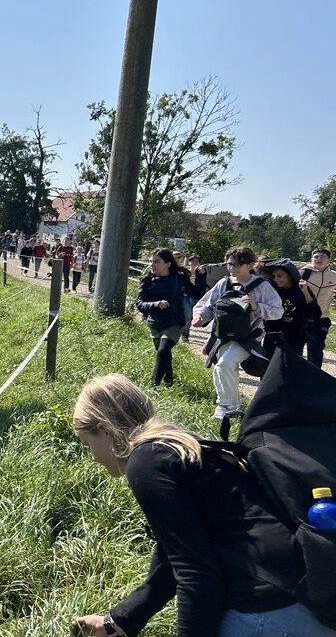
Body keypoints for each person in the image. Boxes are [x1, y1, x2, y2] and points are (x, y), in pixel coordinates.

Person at [72, 374, 333, 637]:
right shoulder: (178, 445)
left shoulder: (145, 461)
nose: (93, 457)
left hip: (267, 611)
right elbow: (173, 559)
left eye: (87, 443)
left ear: (104, 430)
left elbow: (196, 573)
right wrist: (118, 621)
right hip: (303, 598)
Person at [192, 246, 282, 421]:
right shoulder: (224, 283)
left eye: (236, 265)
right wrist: (199, 316)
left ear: (250, 265)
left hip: (248, 338)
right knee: (224, 369)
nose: (231, 269)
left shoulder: (262, 286)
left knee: (224, 364)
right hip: (223, 335)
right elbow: (208, 304)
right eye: (229, 264)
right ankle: (231, 408)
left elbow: (277, 311)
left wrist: (257, 306)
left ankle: (224, 406)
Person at [135, 249, 192, 386]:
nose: (152, 265)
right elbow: (140, 304)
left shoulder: (179, 278)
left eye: (156, 262)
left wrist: (201, 277)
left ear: (167, 264)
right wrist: (156, 304)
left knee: (162, 351)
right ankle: (169, 380)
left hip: (174, 323)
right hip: (155, 324)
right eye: (151, 262)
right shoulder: (147, 281)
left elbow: (196, 292)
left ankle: (153, 386)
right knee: (164, 354)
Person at [263, 260, 307, 359]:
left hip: (294, 336)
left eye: (280, 276)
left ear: (290, 275)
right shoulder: (272, 291)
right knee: (268, 367)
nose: (276, 279)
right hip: (272, 334)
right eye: (273, 276)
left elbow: (314, 313)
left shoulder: (300, 291)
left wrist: (306, 292)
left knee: (290, 367)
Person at [300, 248, 336, 368]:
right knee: (294, 350)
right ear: (311, 259)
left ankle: (313, 380)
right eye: (316, 257)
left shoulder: (333, 276)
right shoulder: (303, 273)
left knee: (315, 352)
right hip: (301, 317)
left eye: (322, 257)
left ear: (328, 261)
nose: (318, 259)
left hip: (321, 318)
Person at [181, 254, 208, 342]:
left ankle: (183, 330)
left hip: (196, 296)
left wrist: (202, 273)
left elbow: (202, 285)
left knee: (192, 315)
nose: (194, 262)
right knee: (188, 315)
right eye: (192, 261)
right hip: (186, 296)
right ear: (189, 262)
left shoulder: (201, 272)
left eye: (196, 261)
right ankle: (185, 335)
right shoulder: (185, 272)